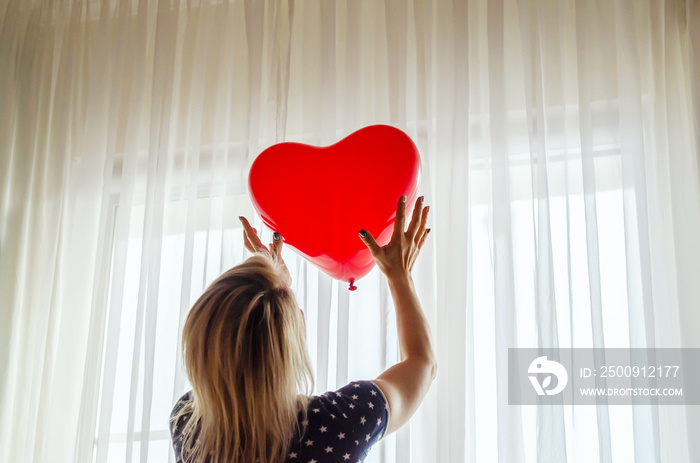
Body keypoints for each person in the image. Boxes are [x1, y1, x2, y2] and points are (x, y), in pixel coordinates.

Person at [170, 195, 436, 463]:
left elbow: (237, 361)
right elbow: (422, 364)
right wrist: (400, 276)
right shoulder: (340, 422)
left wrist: (274, 286)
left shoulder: (188, 425)